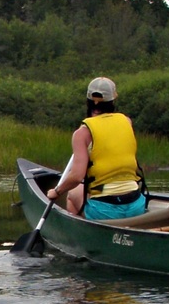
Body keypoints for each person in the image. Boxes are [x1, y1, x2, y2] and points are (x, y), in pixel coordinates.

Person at [46, 76, 149, 220]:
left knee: (72, 193)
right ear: (113, 100)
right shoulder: (127, 121)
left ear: (88, 101)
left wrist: (56, 192)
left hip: (106, 211)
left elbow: (76, 177)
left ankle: (79, 231)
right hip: (136, 205)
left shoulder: (82, 134)